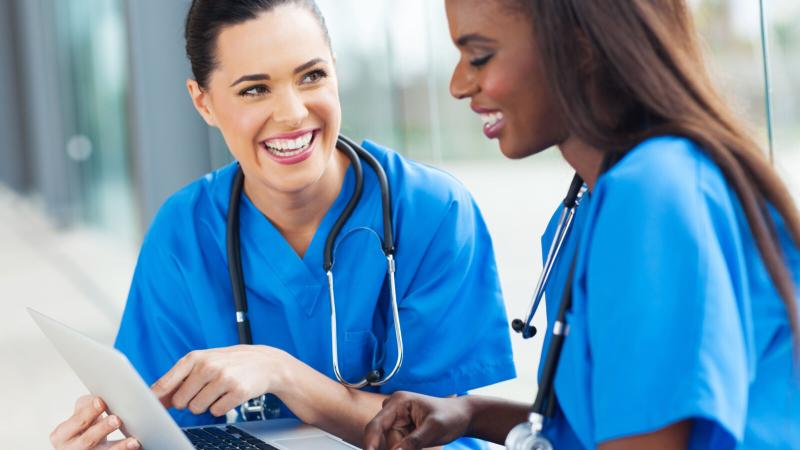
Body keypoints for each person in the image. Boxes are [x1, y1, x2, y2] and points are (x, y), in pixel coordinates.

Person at [48, 1, 516, 449]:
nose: (293, 113)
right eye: (255, 89)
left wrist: (283, 375)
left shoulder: (431, 212)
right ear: (203, 102)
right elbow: (164, 429)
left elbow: (445, 436)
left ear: (335, 71)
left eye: (311, 76)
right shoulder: (185, 233)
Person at [363, 0, 800, 449]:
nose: (458, 85)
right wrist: (471, 413)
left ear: (581, 46)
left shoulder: (654, 194)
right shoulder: (589, 208)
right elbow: (604, 424)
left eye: (479, 56)